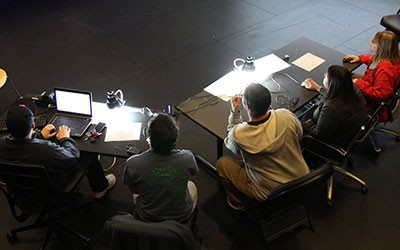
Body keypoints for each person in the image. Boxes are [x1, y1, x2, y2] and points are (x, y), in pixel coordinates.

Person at [216, 83, 310, 211]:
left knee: (223, 163)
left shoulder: (239, 134)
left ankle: (238, 202)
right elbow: (299, 136)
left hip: (270, 192)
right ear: (269, 103)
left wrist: (235, 112)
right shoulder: (286, 115)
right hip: (302, 180)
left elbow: (231, 145)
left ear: (247, 106)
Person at [0, 105, 116, 199]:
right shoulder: (45, 150)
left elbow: (23, 147)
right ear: (33, 125)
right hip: (50, 190)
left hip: (21, 194)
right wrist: (65, 138)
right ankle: (100, 188)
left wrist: (40, 136)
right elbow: (72, 156)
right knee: (88, 153)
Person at [123, 113, 198, 223]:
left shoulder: (133, 163)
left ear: (149, 139)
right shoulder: (187, 157)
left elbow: (134, 190)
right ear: (175, 139)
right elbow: (193, 173)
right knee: (191, 185)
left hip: (148, 216)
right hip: (180, 215)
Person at [301, 65, 368, 149]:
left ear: (331, 83)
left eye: (326, 76)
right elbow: (339, 95)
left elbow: (319, 134)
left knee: (299, 119)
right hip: (351, 128)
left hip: (335, 142)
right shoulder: (353, 89)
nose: (324, 75)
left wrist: (306, 123)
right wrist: (318, 88)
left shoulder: (331, 107)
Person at [343, 31, 400, 122]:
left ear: (381, 48)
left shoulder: (385, 70)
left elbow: (380, 94)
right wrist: (361, 58)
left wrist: (359, 83)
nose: (371, 42)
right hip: (372, 83)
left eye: (374, 42)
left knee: (342, 84)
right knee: (347, 77)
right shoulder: (391, 57)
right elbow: (373, 57)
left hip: (373, 103)